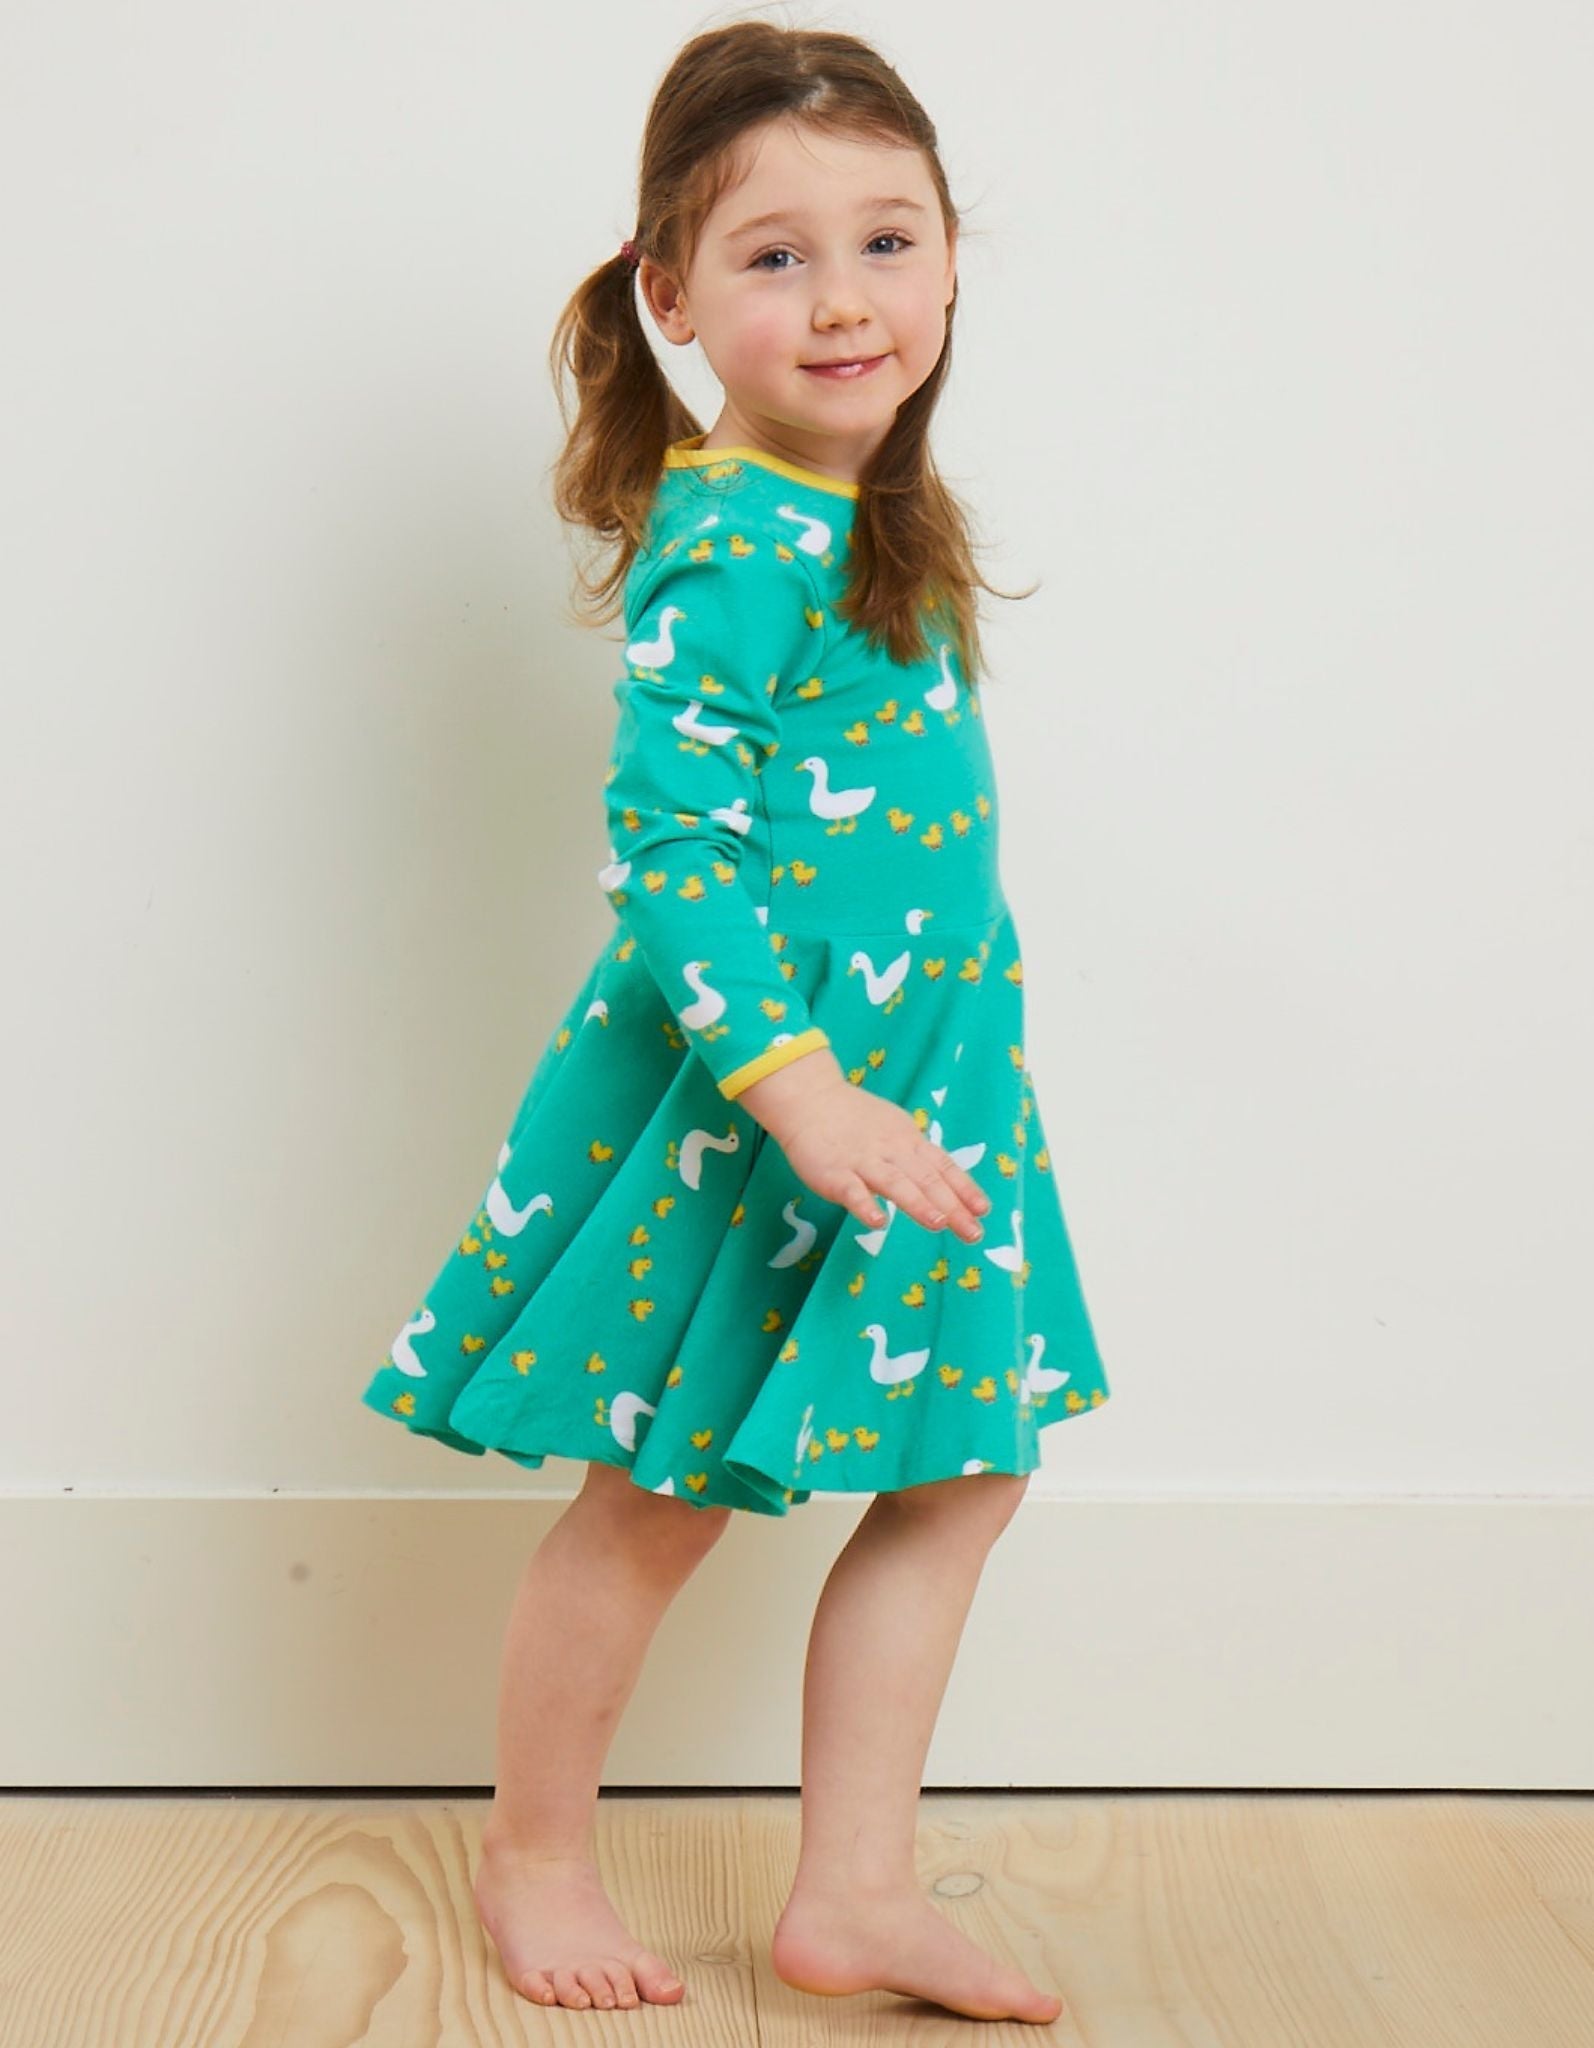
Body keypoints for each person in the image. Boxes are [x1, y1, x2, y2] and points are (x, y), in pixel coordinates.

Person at [360, 16, 1109, 2026]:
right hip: (762, 1108)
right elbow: (671, 848)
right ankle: (530, 1845)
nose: (844, 296)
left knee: (962, 1465)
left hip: (931, 1097)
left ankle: (852, 1885)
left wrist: (932, 1086)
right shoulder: (722, 540)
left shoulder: (878, 527)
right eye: (773, 254)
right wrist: (796, 1097)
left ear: (952, 259)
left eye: (885, 239)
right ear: (670, 295)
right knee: (655, 1492)